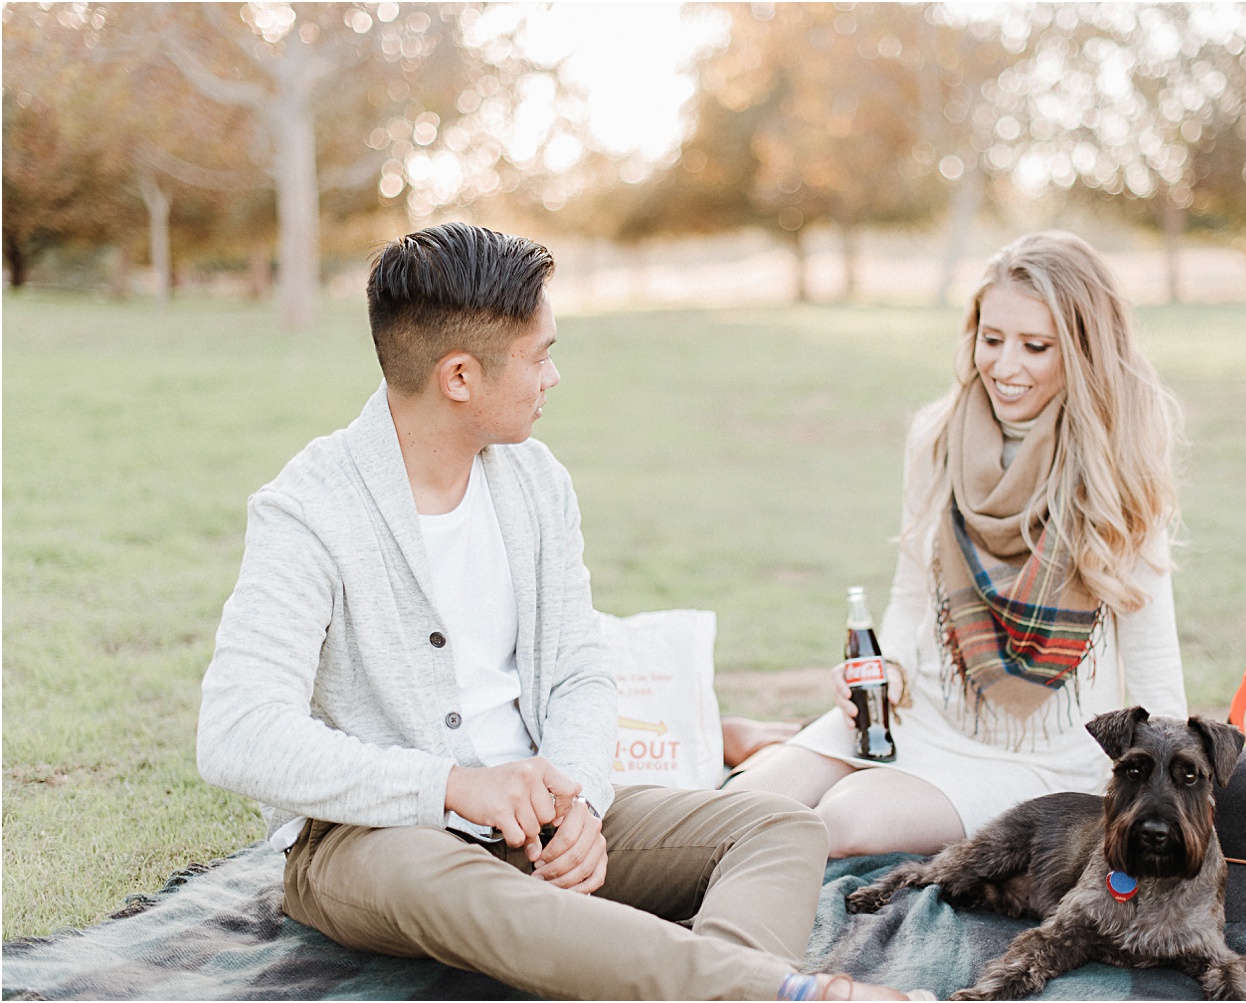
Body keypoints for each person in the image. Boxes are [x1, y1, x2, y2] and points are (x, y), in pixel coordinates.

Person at [197, 223, 928, 1002]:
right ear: (458, 377)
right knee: (458, 884)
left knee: (781, 825)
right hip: (376, 841)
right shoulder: (308, 510)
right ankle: (776, 992)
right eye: (539, 354)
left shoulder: (538, 482)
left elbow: (582, 669)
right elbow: (237, 733)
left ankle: (722, 987)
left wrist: (580, 794)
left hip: (539, 816)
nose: (555, 376)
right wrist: (447, 785)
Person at [727, 231, 1189, 858]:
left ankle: (774, 745)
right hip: (921, 713)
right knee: (738, 807)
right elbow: (913, 595)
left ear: (1082, 351)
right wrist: (883, 669)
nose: (1004, 366)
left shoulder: (1117, 458)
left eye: (1035, 347)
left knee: (837, 822)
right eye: (991, 339)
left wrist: (1168, 783)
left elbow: (1151, 643)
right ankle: (766, 748)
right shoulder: (937, 435)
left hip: (1045, 754)